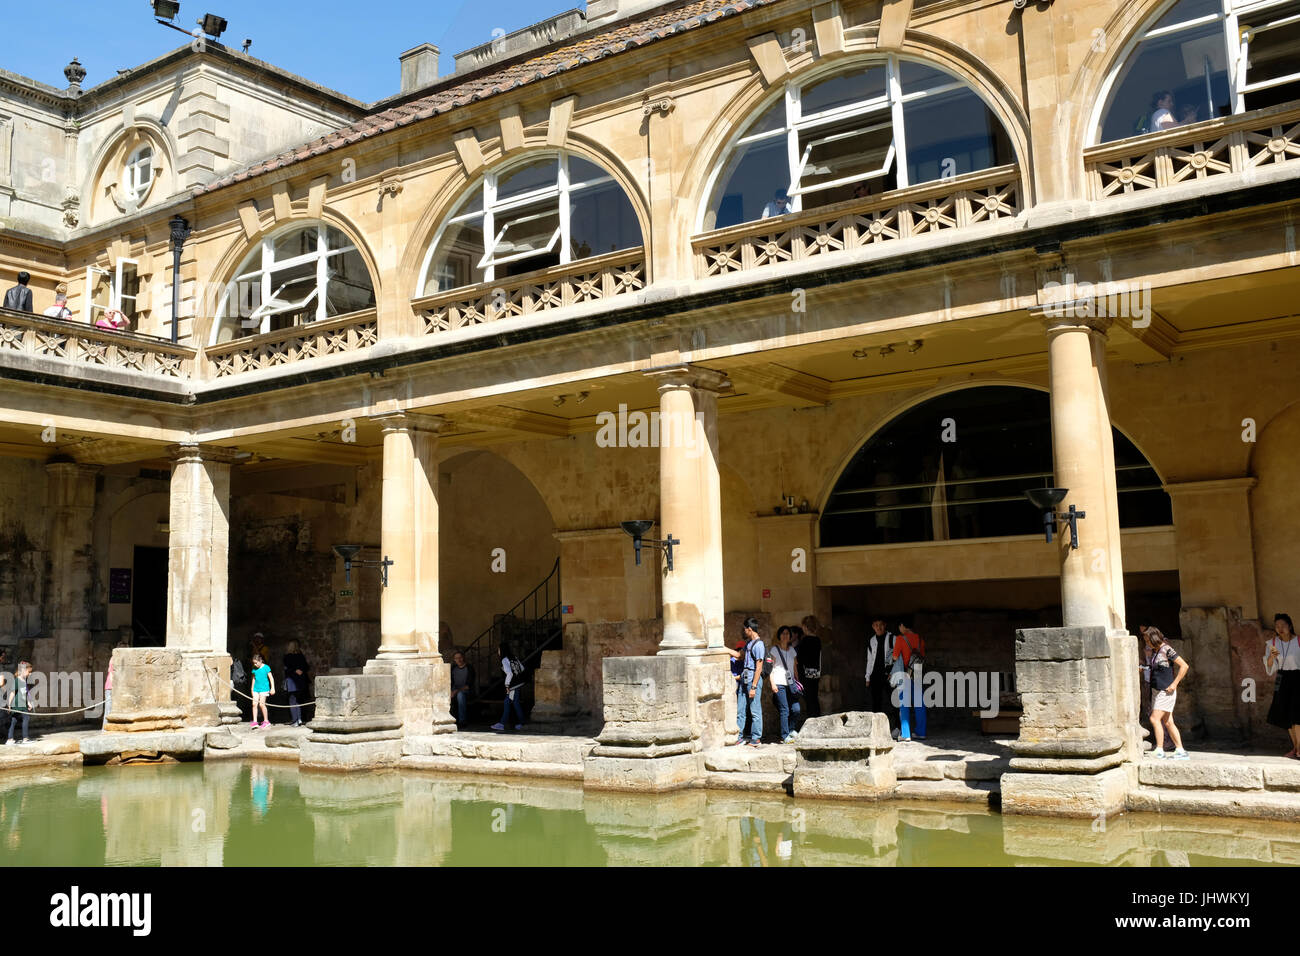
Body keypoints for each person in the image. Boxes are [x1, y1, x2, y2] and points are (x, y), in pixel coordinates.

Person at [1142, 626, 1189, 759]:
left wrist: (1174, 684)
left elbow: (1184, 666)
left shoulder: (1167, 649)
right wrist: (1143, 668)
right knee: (1168, 722)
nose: (1147, 643)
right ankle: (1180, 750)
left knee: (1154, 718)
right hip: (1157, 691)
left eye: (1148, 640)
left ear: (1154, 638)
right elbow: (1158, 669)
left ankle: (1159, 749)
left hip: (1165, 691)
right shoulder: (1155, 651)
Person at [723, 618, 765, 746]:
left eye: (744, 629)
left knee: (755, 710)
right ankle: (739, 736)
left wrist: (754, 687)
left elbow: (759, 667)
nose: (744, 631)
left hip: (752, 680)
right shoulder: (748, 643)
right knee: (741, 710)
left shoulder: (759, 645)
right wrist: (724, 649)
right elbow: (739, 655)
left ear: (749, 629)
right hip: (744, 679)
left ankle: (756, 738)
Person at [1264, 613, 1300, 759]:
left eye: (1283, 625)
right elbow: (1269, 667)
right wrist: (1272, 657)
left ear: (1290, 626)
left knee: (1297, 713)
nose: (1280, 628)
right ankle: (1296, 748)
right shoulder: (1272, 643)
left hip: (1298, 677)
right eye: (1277, 626)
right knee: (1286, 714)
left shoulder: (1298, 641)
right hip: (1282, 678)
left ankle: (1299, 748)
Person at [892, 621, 926, 741]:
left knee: (904, 703)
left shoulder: (900, 639)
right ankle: (921, 732)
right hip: (918, 672)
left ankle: (905, 734)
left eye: (899, 626)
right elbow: (922, 656)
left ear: (903, 626)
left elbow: (895, 656)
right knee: (919, 703)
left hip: (906, 672)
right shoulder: (920, 640)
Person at [770, 625, 801, 744]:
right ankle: (784, 735)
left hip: (791, 684)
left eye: (787, 633)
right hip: (779, 683)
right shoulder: (774, 650)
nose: (785, 635)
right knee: (784, 710)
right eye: (783, 633)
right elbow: (771, 668)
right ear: (779, 636)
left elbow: (795, 668)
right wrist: (772, 684)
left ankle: (791, 729)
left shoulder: (792, 650)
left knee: (796, 709)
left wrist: (798, 682)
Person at [491, 641, 526, 732]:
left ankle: (520, 723)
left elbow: (509, 673)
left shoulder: (504, 660)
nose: (498, 651)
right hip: (518, 683)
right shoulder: (514, 657)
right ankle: (503, 723)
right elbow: (522, 668)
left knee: (514, 703)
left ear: (502, 650)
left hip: (513, 685)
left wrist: (507, 685)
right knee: (509, 702)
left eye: (498, 649)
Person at [865, 618, 895, 719]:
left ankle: (897, 725)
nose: (879, 627)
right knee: (876, 702)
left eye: (881, 624)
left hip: (889, 674)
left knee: (893, 701)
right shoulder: (871, 640)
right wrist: (867, 677)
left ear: (885, 625)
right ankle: (877, 724)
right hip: (875, 675)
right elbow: (869, 660)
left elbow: (898, 657)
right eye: (876, 625)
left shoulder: (892, 638)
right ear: (873, 626)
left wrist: (894, 672)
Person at [795, 616, 823, 719]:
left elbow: (800, 659)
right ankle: (817, 718)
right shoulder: (817, 640)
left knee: (808, 699)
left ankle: (812, 720)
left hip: (805, 673)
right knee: (814, 698)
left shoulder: (805, 640)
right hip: (816, 673)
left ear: (806, 627)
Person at [103, 636, 129, 728]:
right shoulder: (114, 659)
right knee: (109, 711)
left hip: (113, 688)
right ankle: (105, 730)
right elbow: (111, 674)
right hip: (111, 688)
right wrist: (115, 688)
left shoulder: (117, 659)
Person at [5, 661, 33, 746]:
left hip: (23, 705)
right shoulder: (17, 680)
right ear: (23, 671)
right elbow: (12, 693)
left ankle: (10, 739)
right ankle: (25, 738)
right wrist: (9, 704)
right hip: (18, 705)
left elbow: (25, 693)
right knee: (25, 718)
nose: (30, 674)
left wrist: (28, 703)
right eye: (29, 672)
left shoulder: (24, 681)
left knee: (14, 721)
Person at [282, 640, 309, 727]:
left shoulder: (287, 657)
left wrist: (294, 670)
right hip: (301, 681)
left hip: (292, 681)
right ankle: (299, 719)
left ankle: (295, 720)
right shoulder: (301, 656)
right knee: (298, 700)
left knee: (292, 700)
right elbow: (307, 667)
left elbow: (287, 669)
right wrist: (301, 670)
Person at [450, 650, 475, 728]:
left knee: (460, 695)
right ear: (454, 660)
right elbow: (450, 682)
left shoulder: (469, 668)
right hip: (454, 690)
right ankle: (450, 719)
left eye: (460, 657)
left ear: (463, 658)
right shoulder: (453, 668)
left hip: (467, 691)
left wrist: (456, 691)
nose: (459, 660)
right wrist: (450, 691)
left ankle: (462, 721)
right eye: (456, 658)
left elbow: (469, 685)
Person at [249, 653, 273, 730]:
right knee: (254, 704)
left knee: (262, 705)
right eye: (254, 663)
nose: (255, 664)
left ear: (260, 661)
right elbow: (253, 679)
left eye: (256, 663)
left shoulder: (266, 667)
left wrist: (272, 688)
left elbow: (271, 678)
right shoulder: (254, 668)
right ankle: (255, 721)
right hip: (256, 689)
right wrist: (252, 689)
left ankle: (266, 721)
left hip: (264, 689)